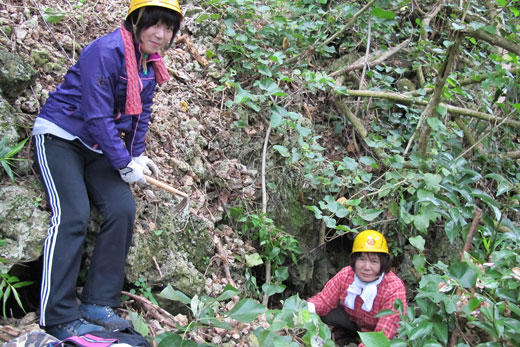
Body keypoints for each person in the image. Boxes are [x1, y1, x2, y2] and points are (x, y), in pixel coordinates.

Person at [32, 0, 183, 340]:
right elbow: (97, 116)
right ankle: (56, 314)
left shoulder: (149, 65)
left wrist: (137, 157)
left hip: (99, 147)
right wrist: (122, 162)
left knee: (122, 208)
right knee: (72, 214)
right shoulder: (106, 51)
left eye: (169, 28)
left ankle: (98, 302)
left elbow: (140, 115)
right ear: (136, 21)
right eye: (153, 24)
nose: (160, 35)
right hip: (61, 137)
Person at [307, 230, 406, 346]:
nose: (366, 267)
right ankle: (345, 334)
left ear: (383, 263)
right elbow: (324, 300)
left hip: (386, 333)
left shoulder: (393, 289)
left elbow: (382, 335)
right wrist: (307, 310)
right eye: (362, 259)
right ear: (354, 260)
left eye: (374, 261)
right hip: (355, 320)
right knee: (322, 311)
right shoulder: (346, 275)